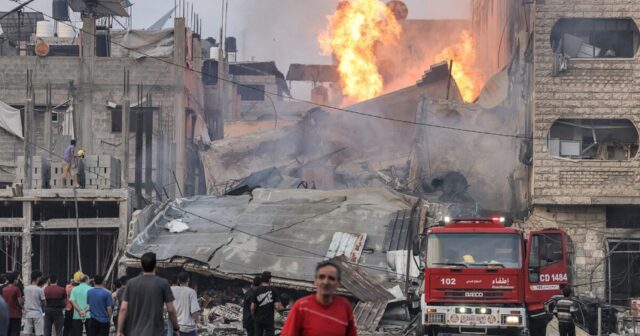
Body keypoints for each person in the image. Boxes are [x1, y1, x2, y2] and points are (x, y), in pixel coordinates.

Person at [281, 261, 357, 336]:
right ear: (315, 281)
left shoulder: (345, 306)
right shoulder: (301, 307)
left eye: (331, 278)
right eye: (321, 277)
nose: (326, 282)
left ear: (338, 283)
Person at [117, 252, 179, 336]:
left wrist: (119, 331)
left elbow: (123, 308)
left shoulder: (131, 283)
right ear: (155, 265)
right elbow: (170, 310)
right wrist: (176, 328)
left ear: (141, 266)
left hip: (134, 332)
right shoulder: (163, 283)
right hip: (155, 332)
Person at [251, 271, 283, 336]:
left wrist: (254, 316)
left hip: (258, 319)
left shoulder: (256, 291)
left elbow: (252, 307)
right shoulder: (274, 290)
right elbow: (277, 306)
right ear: (269, 279)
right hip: (269, 319)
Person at [23, 271, 46, 336]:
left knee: (27, 333)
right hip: (37, 313)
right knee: (39, 333)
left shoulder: (26, 289)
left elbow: (25, 299)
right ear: (38, 278)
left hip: (28, 314)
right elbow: (44, 302)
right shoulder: (40, 290)